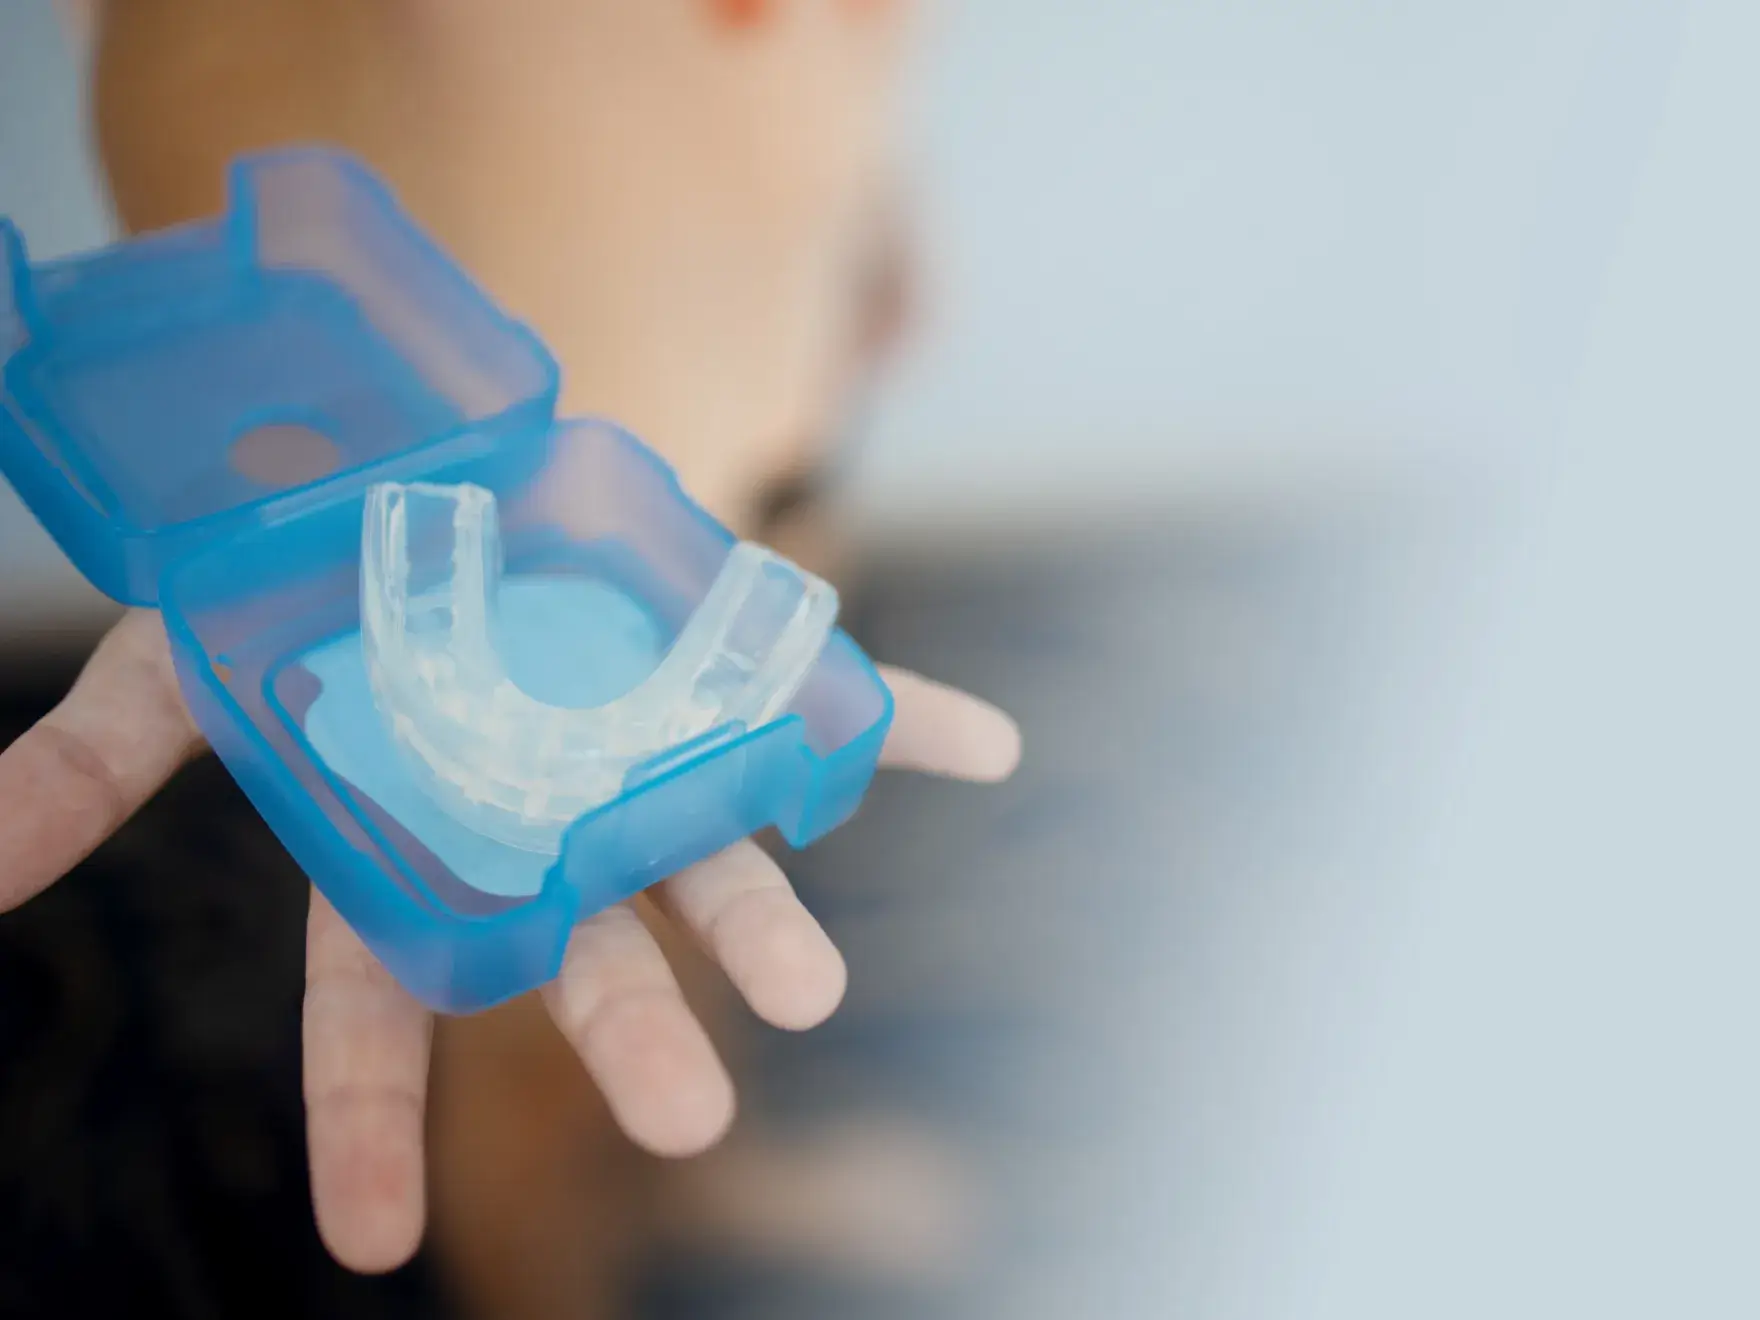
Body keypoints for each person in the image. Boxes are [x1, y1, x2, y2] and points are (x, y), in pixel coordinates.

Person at [0, 0, 1020, 1295]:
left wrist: (865, 214)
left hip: (743, 432)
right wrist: (332, 487)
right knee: (546, 1033)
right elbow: (207, 48)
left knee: (716, 851)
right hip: (523, 522)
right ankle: (545, 1273)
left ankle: (688, 1173)